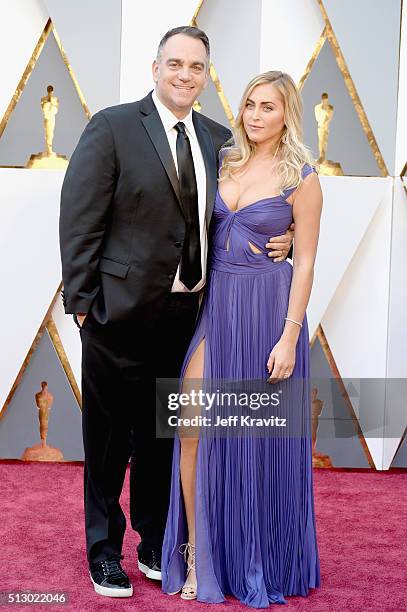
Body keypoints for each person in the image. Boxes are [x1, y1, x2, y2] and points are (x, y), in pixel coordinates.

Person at [59, 28, 295, 598]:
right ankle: (104, 551)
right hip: (116, 317)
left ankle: (155, 540)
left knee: (164, 439)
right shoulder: (113, 127)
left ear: (207, 74)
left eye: (196, 66)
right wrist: (85, 307)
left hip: (189, 319)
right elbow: (79, 219)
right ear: (156, 67)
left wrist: (282, 239)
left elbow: (241, 212)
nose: (185, 75)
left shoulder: (220, 140)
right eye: (175, 64)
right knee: (110, 441)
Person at [162, 70, 323, 607]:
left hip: (268, 313)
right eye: (251, 105)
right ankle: (196, 554)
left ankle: (254, 555)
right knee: (190, 425)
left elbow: (305, 266)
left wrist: (288, 336)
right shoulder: (225, 160)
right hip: (218, 308)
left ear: (286, 114)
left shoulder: (302, 178)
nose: (256, 115)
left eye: (268, 107)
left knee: (252, 444)